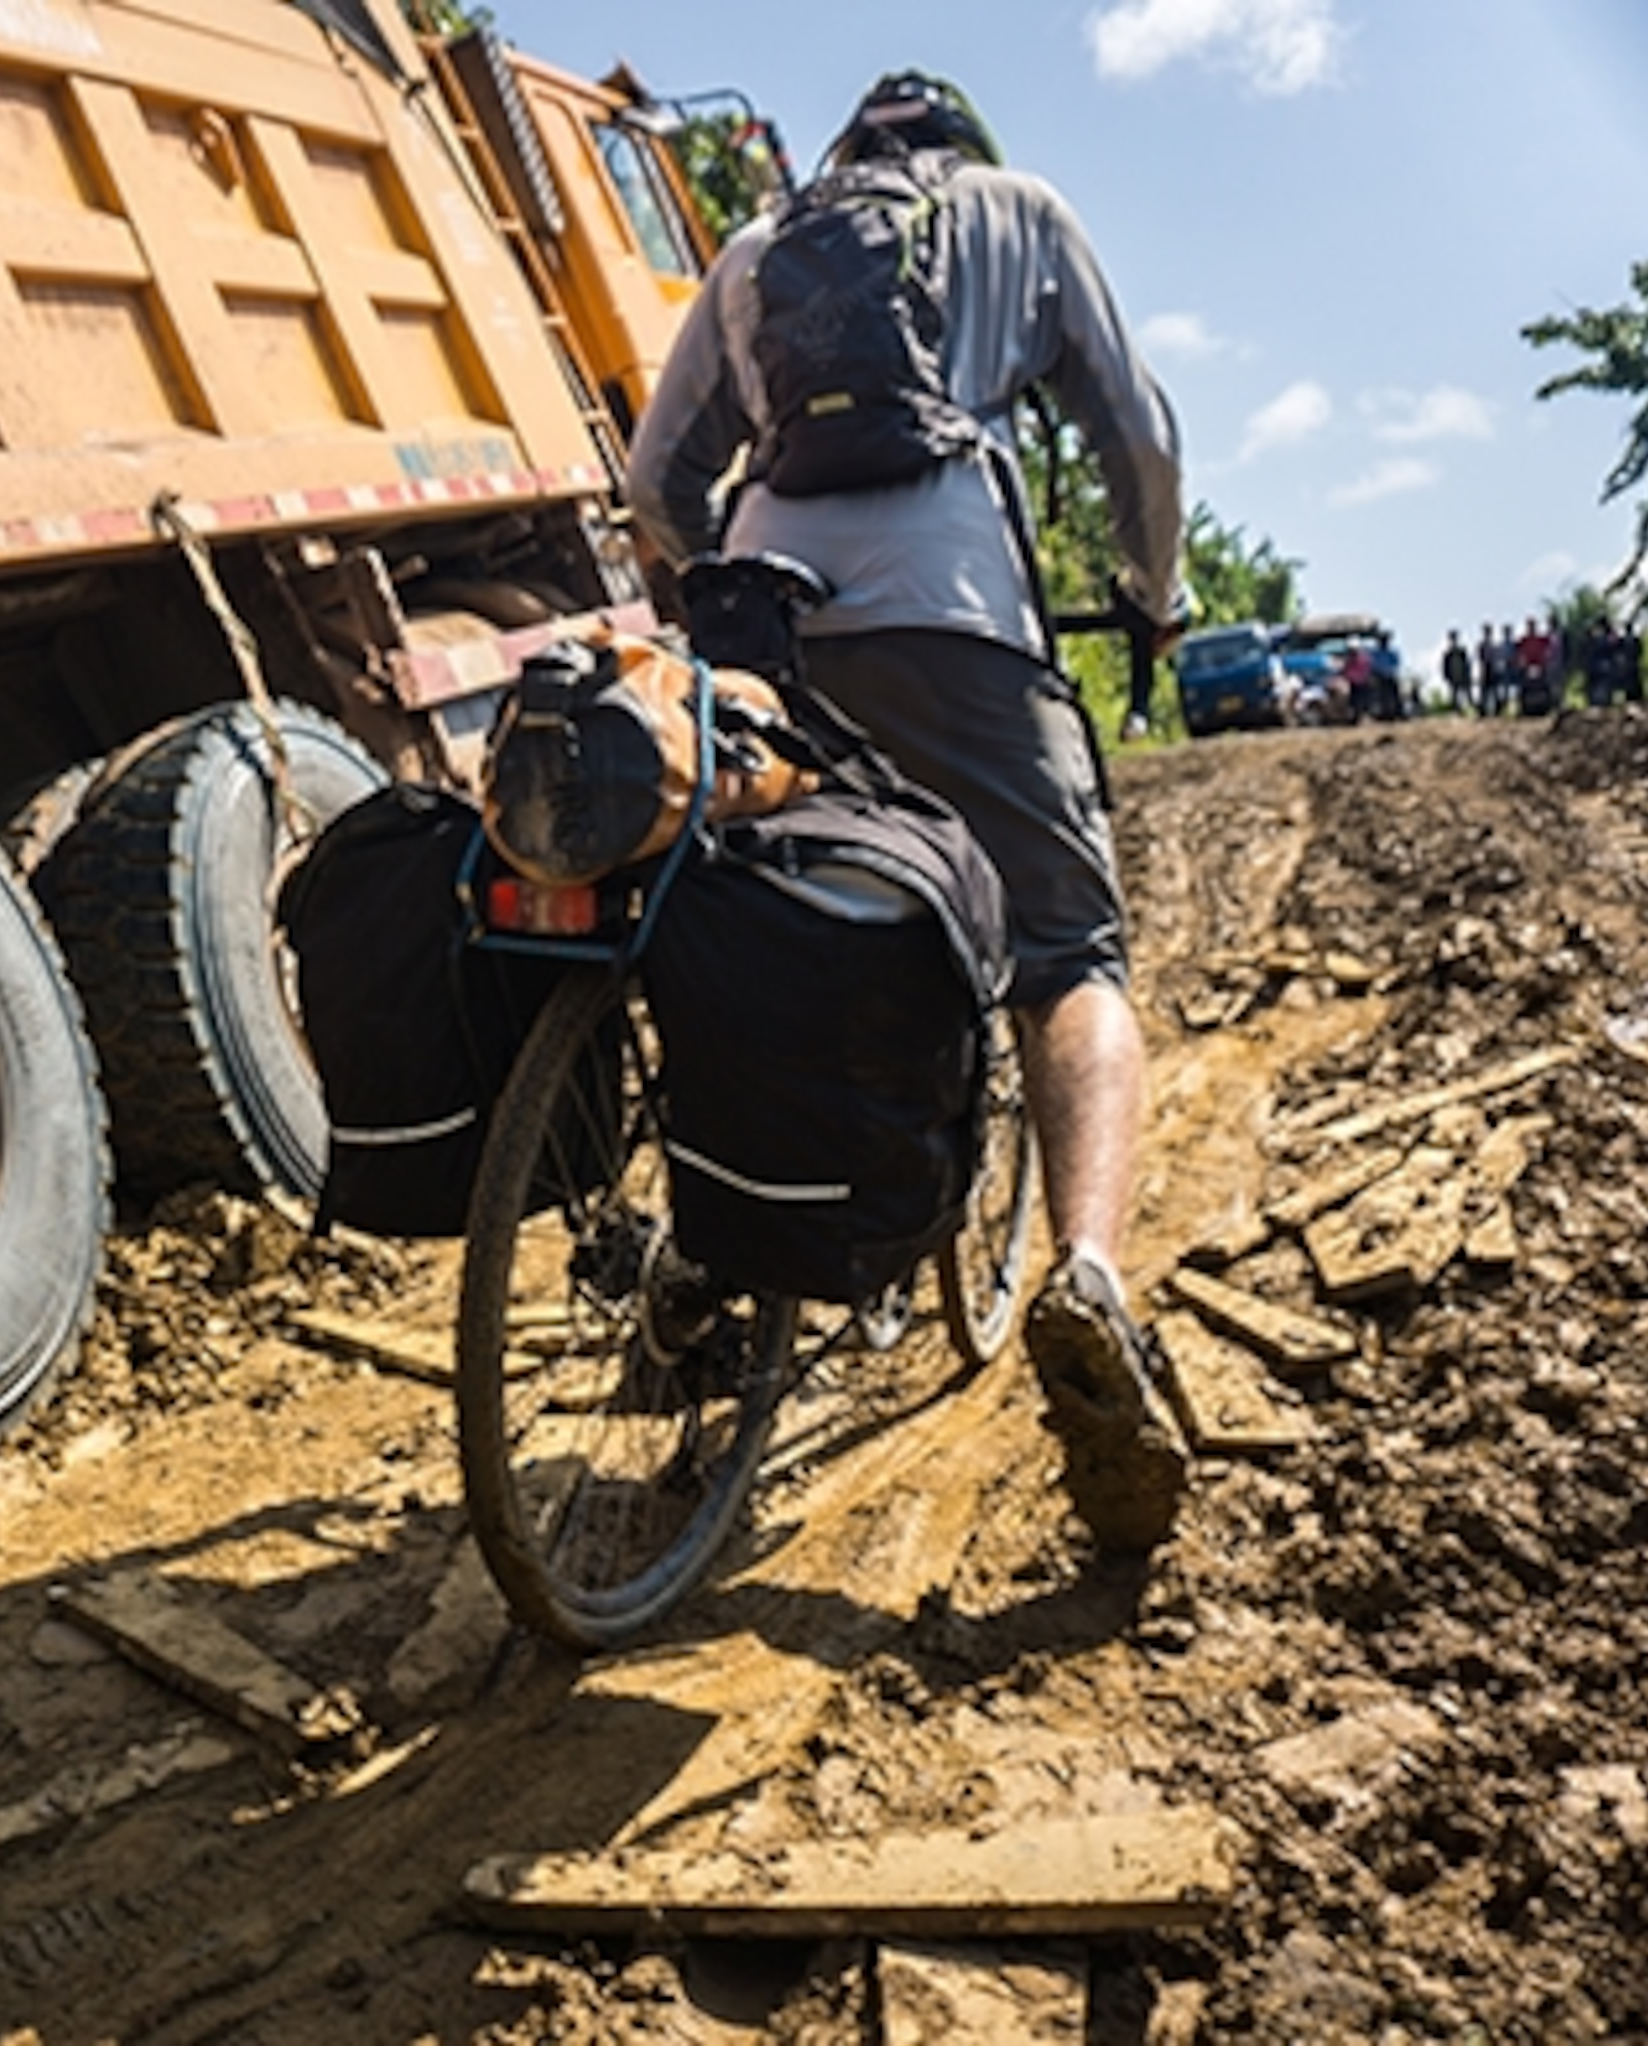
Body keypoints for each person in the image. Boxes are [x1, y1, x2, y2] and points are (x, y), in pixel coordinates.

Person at [625, 72, 1189, 1554]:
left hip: (763, 621)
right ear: (961, 155)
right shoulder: (1022, 217)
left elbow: (654, 480)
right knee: (1069, 958)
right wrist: (1154, 595)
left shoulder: (750, 253)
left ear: (843, 162)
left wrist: (721, 602)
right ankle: (1085, 1279)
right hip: (957, 609)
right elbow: (1137, 440)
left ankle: (703, 1242)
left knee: (746, 917)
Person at [1439, 628, 1472, 716]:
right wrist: (1446, 676)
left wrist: (1468, 674)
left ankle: (1468, 710)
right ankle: (1457, 711)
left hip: (1462, 676)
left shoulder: (1462, 652)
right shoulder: (1447, 653)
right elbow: (1444, 666)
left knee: (1466, 695)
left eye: (1455, 638)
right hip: (1453, 677)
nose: (1454, 640)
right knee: (1454, 696)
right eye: (1452, 638)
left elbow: (1467, 664)